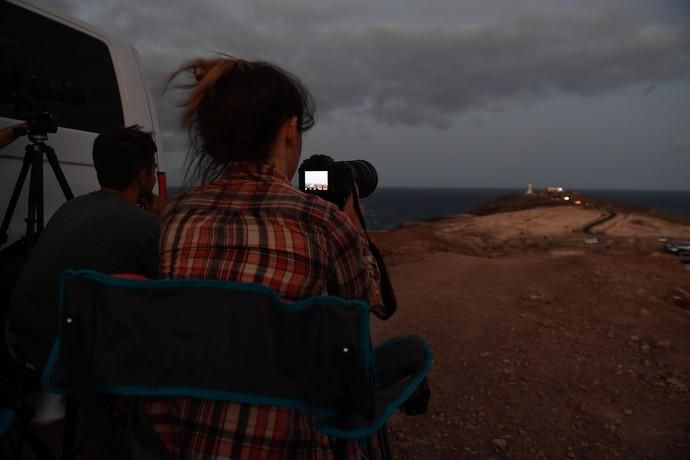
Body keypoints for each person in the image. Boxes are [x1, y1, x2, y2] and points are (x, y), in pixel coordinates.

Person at [137, 57, 383, 459]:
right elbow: (360, 310)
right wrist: (352, 222)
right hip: (291, 444)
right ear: (289, 131)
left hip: (189, 438)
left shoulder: (178, 216)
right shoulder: (322, 222)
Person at [6, 125, 165, 370]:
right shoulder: (143, 225)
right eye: (153, 171)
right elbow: (165, 287)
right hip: (69, 353)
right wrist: (162, 221)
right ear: (143, 176)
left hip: (26, 341)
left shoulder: (70, 208)